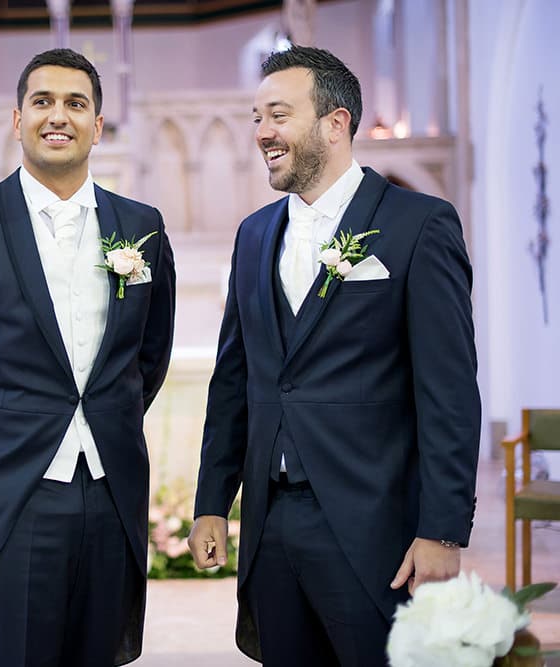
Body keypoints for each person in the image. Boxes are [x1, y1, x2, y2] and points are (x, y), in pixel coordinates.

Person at [187, 45, 479, 666]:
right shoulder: (253, 235)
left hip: (374, 525)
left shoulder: (418, 224)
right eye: (257, 117)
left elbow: (449, 391)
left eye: (279, 115)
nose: (262, 132)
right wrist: (213, 501)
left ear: (336, 122)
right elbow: (233, 381)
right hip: (270, 526)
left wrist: (443, 531)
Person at [0, 48, 175, 667]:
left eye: (76, 103)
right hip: (13, 496)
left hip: (109, 493)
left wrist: (103, 419)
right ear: (17, 119)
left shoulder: (142, 226)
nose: (59, 116)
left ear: (98, 125)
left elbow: (147, 356)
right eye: (43, 101)